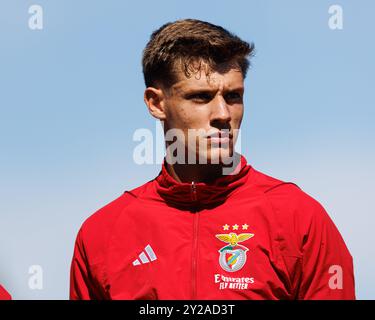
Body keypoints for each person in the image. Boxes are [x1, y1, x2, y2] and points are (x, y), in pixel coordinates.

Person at [70, 19, 355, 300]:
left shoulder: (298, 218)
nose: (222, 114)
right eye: (201, 97)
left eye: (233, 96)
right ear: (156, 103)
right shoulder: (102, 234)